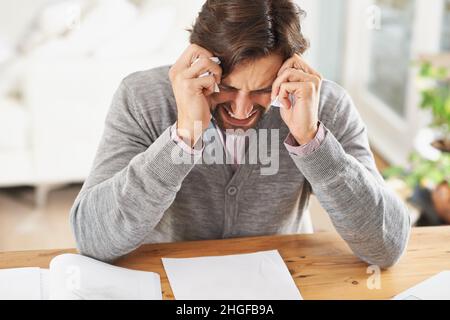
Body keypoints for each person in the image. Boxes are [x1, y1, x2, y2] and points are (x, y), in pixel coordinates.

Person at [70, 0, 411, 267]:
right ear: (198, 60)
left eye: (263, 89)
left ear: (290, 68)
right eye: (227, 87)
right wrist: (184, 135)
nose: (242, 110)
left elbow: (386, 247)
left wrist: (311, 140)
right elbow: (92, 238)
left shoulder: (325, 106)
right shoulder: (143, 97)